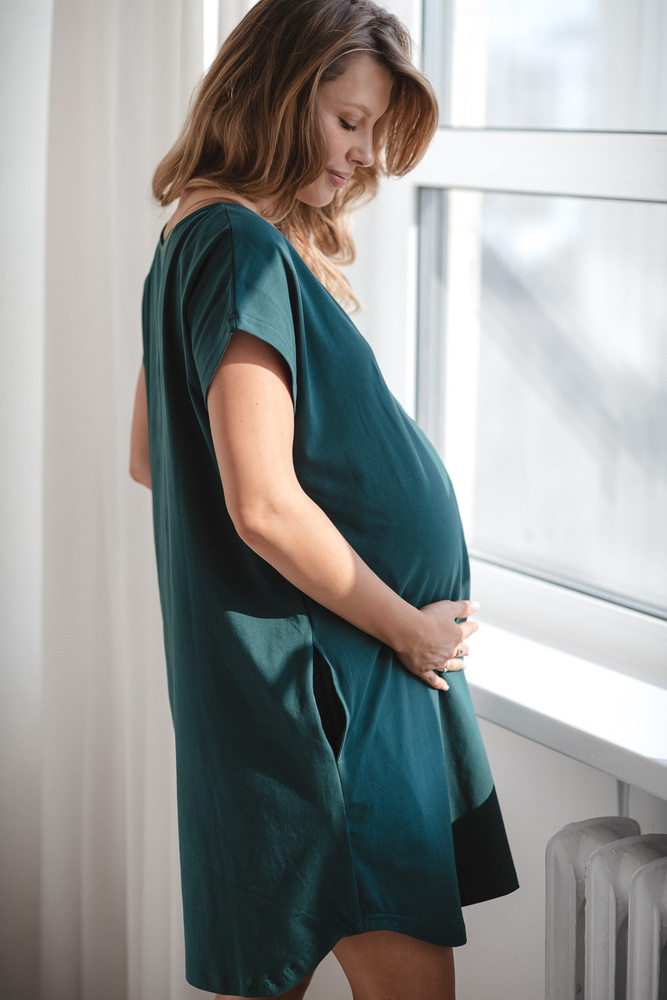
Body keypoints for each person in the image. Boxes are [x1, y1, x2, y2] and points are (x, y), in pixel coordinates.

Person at [130, 1, 518, 997]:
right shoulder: (238, 245)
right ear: (276, 93)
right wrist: (409, 631)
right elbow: (260, 504)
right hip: (333, 688)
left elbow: (151, 455)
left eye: (370, 131)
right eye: (348, 122)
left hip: (311, 676)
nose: (361, 156)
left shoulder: (194, 236)